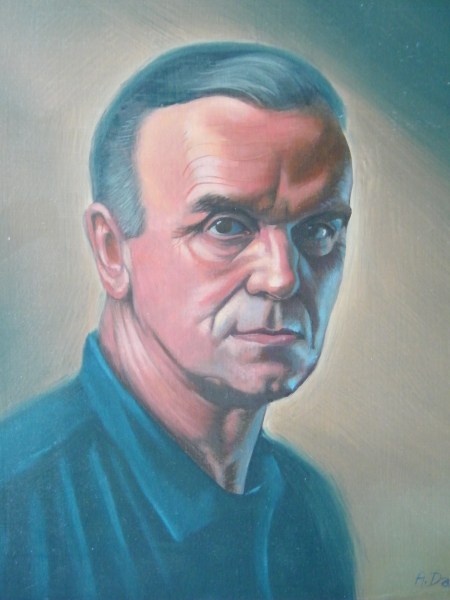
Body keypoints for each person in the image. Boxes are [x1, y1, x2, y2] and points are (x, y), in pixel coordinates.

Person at [0, 43, 355, 599]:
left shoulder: (308, 513)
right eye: (226, 226)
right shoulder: (15, 504)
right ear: (112, 251)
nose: (282, 277)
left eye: (319, 230)